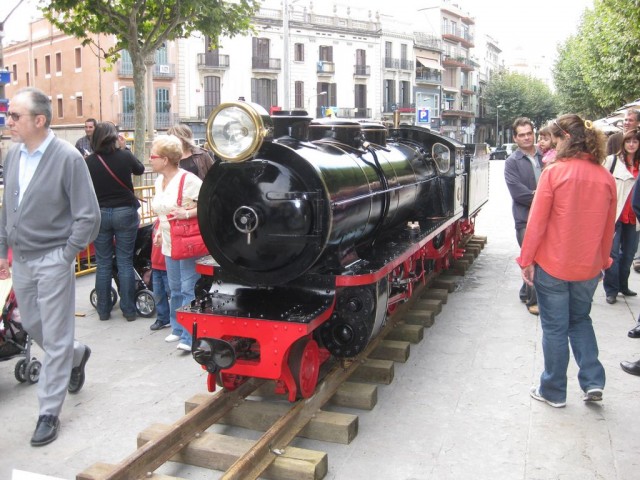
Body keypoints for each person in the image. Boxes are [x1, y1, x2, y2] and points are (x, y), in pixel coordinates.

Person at [0, 87, 100, 445]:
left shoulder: (67, 158)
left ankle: (48, 411)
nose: (8, 121)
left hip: (53, 259)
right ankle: (76, 355)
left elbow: (89, 215)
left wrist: (65, 254)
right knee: (30, 323)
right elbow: (7, 208)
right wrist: (2, 251)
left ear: (38, 120)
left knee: (55, 338)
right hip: (21, 260)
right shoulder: (13, 156)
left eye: (14, 116)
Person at [518, 114, 616, 408]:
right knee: (581, 320)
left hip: (554, 265)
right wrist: (602, 263)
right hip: (587, 267)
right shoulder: (605, 177)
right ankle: (593, 381)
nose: (553, 144)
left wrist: (526, 260)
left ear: (566, 139)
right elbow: (607, 228)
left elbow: (536, 222)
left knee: (555, 328)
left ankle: (553, 390)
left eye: (556, 138)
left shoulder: (554, 172)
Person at [85, 122, 145, 321]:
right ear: (114, 137)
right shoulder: (124, 155)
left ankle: (103, 310)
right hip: (124, 212)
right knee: (124, 261)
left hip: (100, 213)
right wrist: (125, 148)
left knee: (102, 263)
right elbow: (140, 169)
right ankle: (128, 310)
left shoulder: (89, 161)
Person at [150, 135, 202, 351]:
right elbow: (162, 212)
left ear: (164, 159)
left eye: (152, 156)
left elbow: (207, 206)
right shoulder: (157, 182)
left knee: (188, 287)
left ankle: (190, 336)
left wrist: (187, 214)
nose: (150, 160)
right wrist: (160, 231)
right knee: (175, 286)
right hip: (169, 241)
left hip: (186, 242)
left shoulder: (189, 180)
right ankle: (179, 327)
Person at [504, 117, 542, 316]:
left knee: (540, 258)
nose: (527, 137)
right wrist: (544, 198)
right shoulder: (512, 162)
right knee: (531, 258)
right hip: (525, 218)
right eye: (522, 135)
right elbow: (518, 193)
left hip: (546, 218)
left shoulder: (545, 156)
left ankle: (524, 291)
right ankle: (533, 301)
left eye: (529, 133)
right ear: (515, 138)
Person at [602, 129, 640, 304]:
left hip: (634, 216)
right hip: (614, 215)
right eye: (628, 141)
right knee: (613, 254)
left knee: (629, 254)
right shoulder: (613, 161)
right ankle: (611, 290)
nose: (631, 144)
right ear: (623, 143)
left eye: (635, 141)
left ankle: (623, 285)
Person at [149, 219, 171, 331]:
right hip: (157, 263)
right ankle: (163, 318)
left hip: (167, 264)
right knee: (158, 294)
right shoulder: (158, 221)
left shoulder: (168, 221)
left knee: (172, 293)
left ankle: (173, 318)